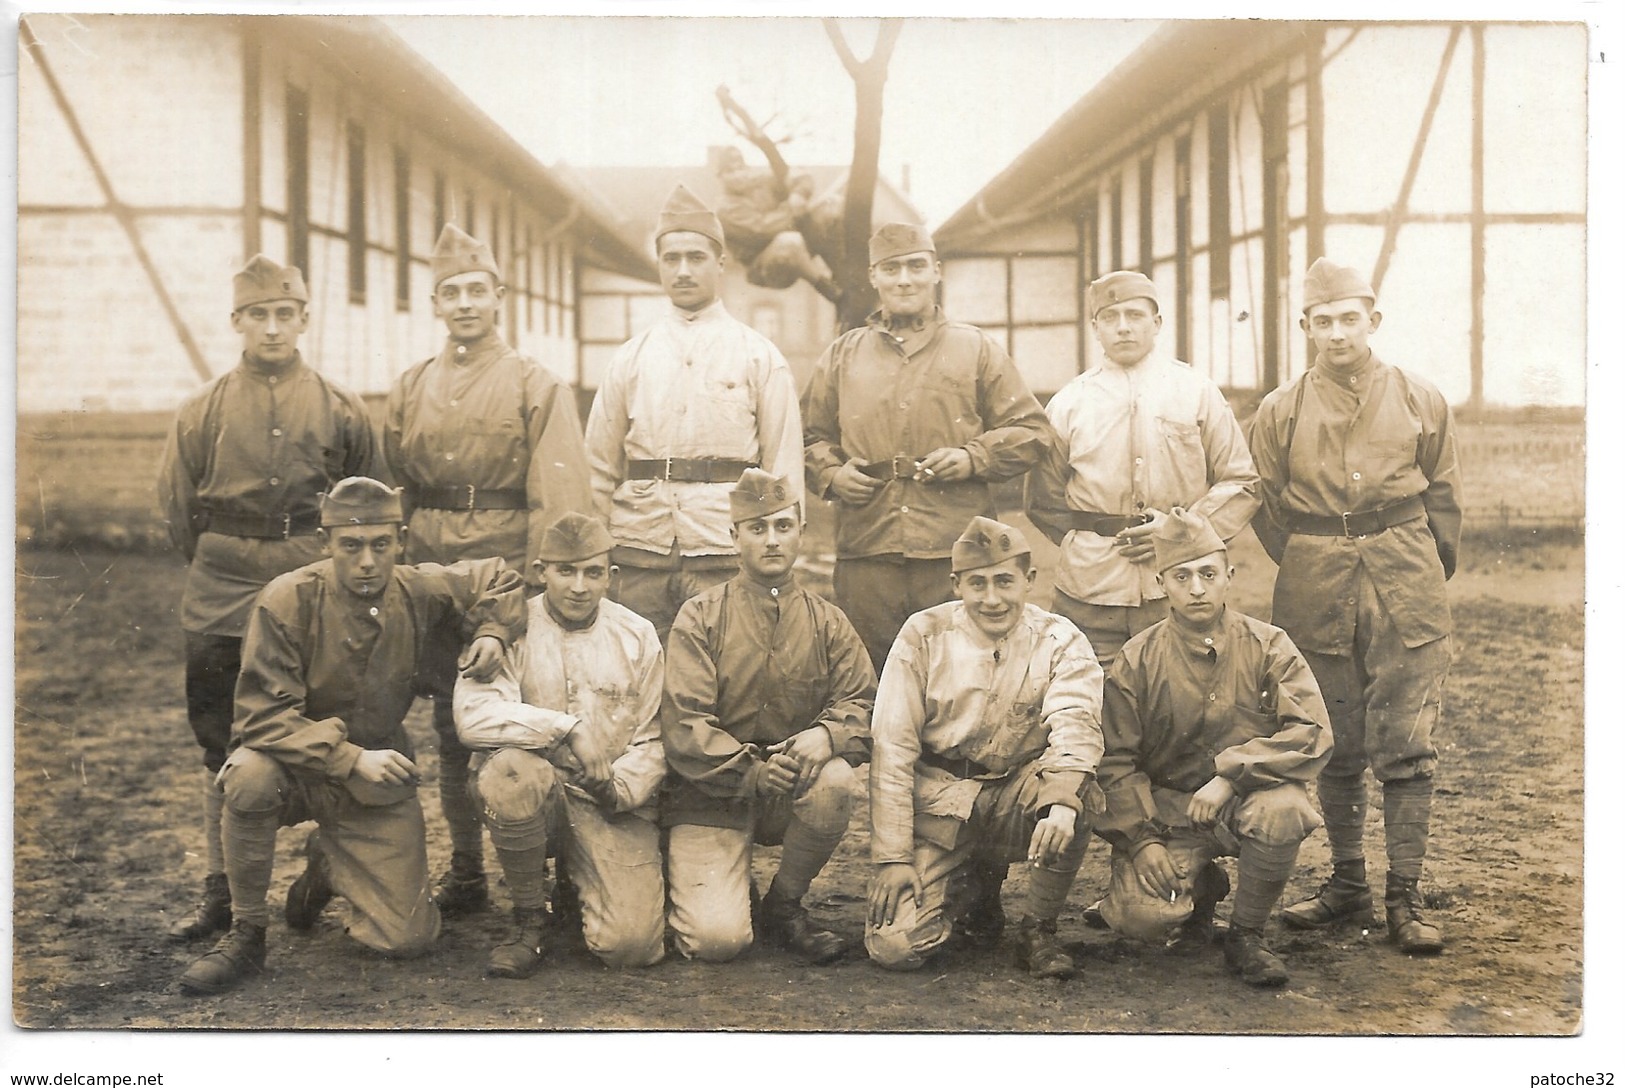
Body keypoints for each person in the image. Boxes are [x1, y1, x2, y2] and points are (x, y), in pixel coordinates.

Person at [176, 478, 524, 995]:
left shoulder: (419, 588)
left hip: (373, 780)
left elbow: (500, 576)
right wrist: (349, 757)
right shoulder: (286, 599)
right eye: (351, 546)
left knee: (407, 939)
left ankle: (328, 865)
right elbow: (260, 718)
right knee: (247, 775)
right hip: (292, 768)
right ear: (325, 543)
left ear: (401, 540)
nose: (367, 561)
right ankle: (246, 933)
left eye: (381, 545)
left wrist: (493, 630)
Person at [157, 255, 378, 943]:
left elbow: (368, 505)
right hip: (222, 587)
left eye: (285, 314)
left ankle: (327, 861)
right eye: (259, 315)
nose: (273, 328)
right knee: (217, 741)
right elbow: (175, 507)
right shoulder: (203, 408)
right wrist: (228, 556)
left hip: (310, 582)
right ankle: (219, 891)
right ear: (237, 323)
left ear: (304, 320)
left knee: (327, 725)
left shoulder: (343, 408)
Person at [1247, 257, 1462, 955]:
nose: (1336, 333)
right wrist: (1315, 556)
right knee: (1330, 741)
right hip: (1313, 582)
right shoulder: (1279, 410)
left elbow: (1443, 497)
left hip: (1405, 578)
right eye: (1321, 321)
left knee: (1405, 744)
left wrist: (1419, 566)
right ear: (1304, 327)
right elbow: (1269, 510)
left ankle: (1404, 895)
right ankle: (1346, 884)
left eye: (1348, 319)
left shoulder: (1419, 397)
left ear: (1372, 320)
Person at [383, 223, 593, 921]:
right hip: (433, 571)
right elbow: (396, 491)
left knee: (527, 723)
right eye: (452, 292)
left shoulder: (537, 383)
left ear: (499, 296)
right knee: (450, 726)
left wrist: (539, 588)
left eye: (478, 289)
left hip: (507, 568)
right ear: (435, 303)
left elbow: (559, 496)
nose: (465, 302)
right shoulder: (412, 386)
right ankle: (467, 867)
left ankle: (556, 875)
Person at [1094, 508, 1333, 987]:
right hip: (1166, 814)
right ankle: (1201, 893)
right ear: (1161, 583)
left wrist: (1230, 775)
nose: (1197, 589)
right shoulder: (1137, 659)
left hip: (1243, 799)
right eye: (1182, 576)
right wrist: (1143, 842)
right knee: (1141, 920)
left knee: (1285, 809)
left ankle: (1247, 935)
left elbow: (1311, 730)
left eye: (1207, 574)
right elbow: (1115, 761)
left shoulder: (1269, 646)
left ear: (1229, 575)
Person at [803, 223, 1056, 675]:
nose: (905, 279)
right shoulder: (843, 355)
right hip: (868, 549)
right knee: (872, 677)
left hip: (957, 554)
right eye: (891, 268)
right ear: (874, 277)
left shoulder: (975, 348)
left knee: (963, 675)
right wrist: (832, 474)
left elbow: (1031, 430)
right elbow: (807, 436)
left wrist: (973, 456)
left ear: (936, 271)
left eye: (916, 266)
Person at [866, 516, 1104, 980]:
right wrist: (893, 858)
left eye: (1004, 582)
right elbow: (892, 749)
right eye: (977, 583)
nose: (992, 598)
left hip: (1019, 789)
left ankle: (1039, 927)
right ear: (956, 583)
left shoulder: (1061, 639)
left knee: (1078, 794)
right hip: (942, 800)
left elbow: (1076, 723)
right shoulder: (923, 635)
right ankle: (971, 887)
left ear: (1030, 581)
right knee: (894, 946)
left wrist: (1060, 800)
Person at [661, 469, 875, 964]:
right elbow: (685, 723)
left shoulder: (828, 621)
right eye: (757, 528)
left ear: (801, 531)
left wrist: (827, 736)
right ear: (734, 537)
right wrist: (752, 771)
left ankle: (784, 904)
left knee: (836, 780)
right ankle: (699, 885)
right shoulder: (700, 616)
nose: (772, 540)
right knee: (716, 943)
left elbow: (862, 702)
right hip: (711, 793)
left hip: (788, 791)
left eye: (782, 526)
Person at [585, 185, 803, 641]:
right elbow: (598, 466)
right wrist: (597, 547)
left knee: (729, 675)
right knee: (640, 672)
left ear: (720, 264)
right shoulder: (630, 357)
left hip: (722, 550)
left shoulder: (758, 355)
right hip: (640, 548)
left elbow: (783, 467)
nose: (683, 270)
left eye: (696, 257)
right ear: (659, 263)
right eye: (671, 258)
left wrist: (775, 548)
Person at [453, 512, 667, 977]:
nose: (578, 586)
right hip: (537, 792)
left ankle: (576, 890)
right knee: (512, 771)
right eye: (565, 571)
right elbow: (473, 718)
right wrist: (566, 728)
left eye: (592, 572)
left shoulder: (637, 635)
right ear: (539, 571)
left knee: (630, 946)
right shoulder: (509, 628)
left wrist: (621, 787)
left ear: (611, 576)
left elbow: (654, 736)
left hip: (606, 799)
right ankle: (530, 918)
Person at [1028, 269, 1258, 671]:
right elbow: (1042, 499)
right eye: (1111, 318)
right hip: (1091, 589)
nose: (1123, 328)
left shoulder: (1196, 391)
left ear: (1157, 323)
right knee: (1090, 696)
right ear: (1095, 327)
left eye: (1135, 316)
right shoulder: (1069, 403)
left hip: (1179, 584)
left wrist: (1182, 533)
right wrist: (1090, 540)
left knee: (1184, 697)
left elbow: (1242, 482)